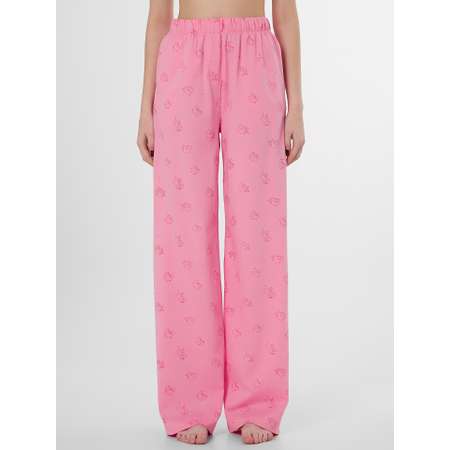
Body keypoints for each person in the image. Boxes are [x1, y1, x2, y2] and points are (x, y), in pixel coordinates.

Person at [137, 0, 305, 445]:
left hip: (255, 60)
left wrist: (297, 106)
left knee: (259, 237)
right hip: (183, 63)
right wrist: (145, 107)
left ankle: (257, 399)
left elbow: (286, 14)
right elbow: (158, 17)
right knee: (182, 238)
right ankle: (189, 400)